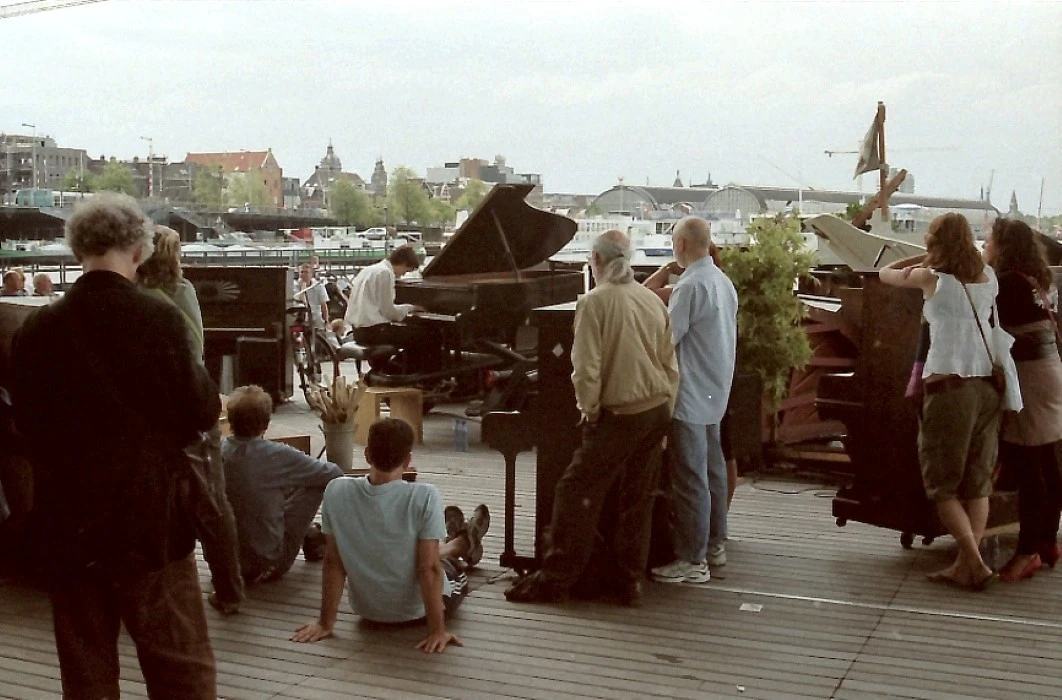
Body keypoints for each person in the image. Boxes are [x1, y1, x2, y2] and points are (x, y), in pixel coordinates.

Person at [10, 193, 221, 697]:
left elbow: (27, 424)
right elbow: (200, 411)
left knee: (87, 674)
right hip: (148, 521)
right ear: (140, 249)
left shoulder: (38, 328)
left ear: (77, 249)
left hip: (68, 523)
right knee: (180, 669)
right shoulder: (159, 318)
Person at [505, 230, 678, 606]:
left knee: (574, 491)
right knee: (637, 498)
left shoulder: (594, 302)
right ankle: (628, 581)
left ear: (596, 261)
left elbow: (585, 369)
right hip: (657, 412)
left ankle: (558, 577)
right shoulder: (651, 301)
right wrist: (668, 414)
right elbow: (670, 365)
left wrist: (590, 411)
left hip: (620, 414)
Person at [291, 418, 490, 652]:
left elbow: (333, 562)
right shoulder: (424, 496)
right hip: (417, 612)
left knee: (417, 548)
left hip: (368, 611)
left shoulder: (336, 490)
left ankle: (450, 538)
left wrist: (325, 623)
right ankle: (461, 542)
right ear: (407, 461)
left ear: (367, 455)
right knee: (445, 566)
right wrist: (438, 631)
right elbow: (429, 569)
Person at [880, 212, 1003, 590]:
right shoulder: (988, 278)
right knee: (977, 482)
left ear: (936, 242)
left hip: (949, 389)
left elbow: (885, 273)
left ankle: (974, 562)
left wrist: (920, 256)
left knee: (943, 485)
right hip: (987, 388)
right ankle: (967, 564)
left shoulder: (932, 279)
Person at [138, 224, 244, 613]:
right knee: (213, 504)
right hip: (197, 406)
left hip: (158, 414)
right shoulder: (185, 291)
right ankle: (229, 590)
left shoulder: (141, 298)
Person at [649, 217, 738, 584]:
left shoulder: (689, 287)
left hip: (688, 393)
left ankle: (692, 559)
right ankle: (715, 544)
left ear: (682, 245)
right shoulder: (722, 281)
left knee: (689, 477)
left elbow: (665, 342)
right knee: (714, 472)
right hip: (716, 388)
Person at [982, 218, 1062, 581]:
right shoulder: (1039, 280)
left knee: (1032, 466)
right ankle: (1047, 541)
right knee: (1046, 459)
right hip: (1049, 369)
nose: (986, 245)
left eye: (990, 240)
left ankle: (1028, 550)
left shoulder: (1005, 283)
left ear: (1004, 246)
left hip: (1028, 375)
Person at [644, 242, 741, 508]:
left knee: (693, 471)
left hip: (696, 384)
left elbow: (646, 293)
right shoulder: (721, 284)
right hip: (721, 375)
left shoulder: (687, 288)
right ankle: (721, 517)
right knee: (723, 451)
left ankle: (698, 536)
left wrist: (665, 269)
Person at [223, 385, 344, 584]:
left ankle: (310, 532)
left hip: (226, 565)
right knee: (313, 483)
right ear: (267, 423)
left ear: (230, 421)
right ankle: (315, 535)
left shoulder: (219, 450)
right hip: (267, 564)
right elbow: (333, 473)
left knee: (270, 487)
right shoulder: (277, 455)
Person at [343, 244, 434, 370]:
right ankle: (409, 373)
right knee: (425, 335)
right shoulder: (385, 273)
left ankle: (390, 369)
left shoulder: (369, 270)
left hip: (358, 331)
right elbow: (388, 311)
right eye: (406, 270)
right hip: (374, 331)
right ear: (403, 262)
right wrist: (411, 308)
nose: (402, 275)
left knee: (412, 334)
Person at [295, 262, 330, 331]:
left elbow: (323, 305)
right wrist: (302, 288)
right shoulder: (294, 286)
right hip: (299, 319)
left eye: (306, 272)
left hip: (316, 319)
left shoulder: (319, 286)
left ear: (311, 274)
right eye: (301, 272)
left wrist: (326, 320)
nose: (303, 274)